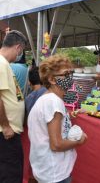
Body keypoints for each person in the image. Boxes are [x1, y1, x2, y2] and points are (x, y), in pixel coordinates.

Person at [28, 54, 87, 183]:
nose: (70, 77)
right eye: (66, 74)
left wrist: (71, 114)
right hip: (54, 173)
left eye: (71, 73)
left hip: (48, 170)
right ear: (52, 79)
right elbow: (56, 144)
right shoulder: (53, 102)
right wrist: (80, 141)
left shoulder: (48, 99)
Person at [0, 30, 27, 183]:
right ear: (17, 48)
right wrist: (5, 126)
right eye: (21, 51)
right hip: (6, 133)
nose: (20, 55)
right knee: (10, 175)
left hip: (8, 132)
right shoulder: (1, 63)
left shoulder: (5, 64)